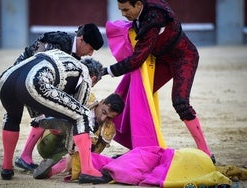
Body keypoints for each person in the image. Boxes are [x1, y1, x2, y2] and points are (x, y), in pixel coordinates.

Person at [103, 0, 214, 162]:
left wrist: (108, 71)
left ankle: (206, 153)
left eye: (126, 9)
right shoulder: (144, 11)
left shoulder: (154, 19)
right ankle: (139, 148)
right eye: (120, 10)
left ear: (139, 5)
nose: (123, 14)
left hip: (184, 57)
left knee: (180, 102)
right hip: (161, 59)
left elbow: (137, 59)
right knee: (137, 96)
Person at [0, 49, 107, 184]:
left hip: (7, 78)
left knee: (12, 118)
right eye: (93, 84)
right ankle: (88, 170)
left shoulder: (66, 60)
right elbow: (76, 113)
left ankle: (6, 167)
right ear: (94, 78)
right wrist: (71, 150)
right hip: (34, 82)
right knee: (82, 115)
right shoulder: (85, 75)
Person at [13, 23, 104, 171]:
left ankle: (25, 156)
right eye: (91, 48)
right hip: (24, 78)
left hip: (30, 80)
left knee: (50, 111)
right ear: (81, 40)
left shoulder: (73, 54)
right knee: (46, 112)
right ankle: (25, 156)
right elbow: (40, 69)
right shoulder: (59, 43)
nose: (90, 54)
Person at [32, 93, 125, 181]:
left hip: (61, 157)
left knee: (82, 157)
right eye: (104, 112)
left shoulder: (108, 130)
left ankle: (48, 172)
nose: (103, 118)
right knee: (60, 125)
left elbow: (93, 155)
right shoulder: (85, 98)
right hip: (48, 143)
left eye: (109, 117)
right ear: (101, 102)